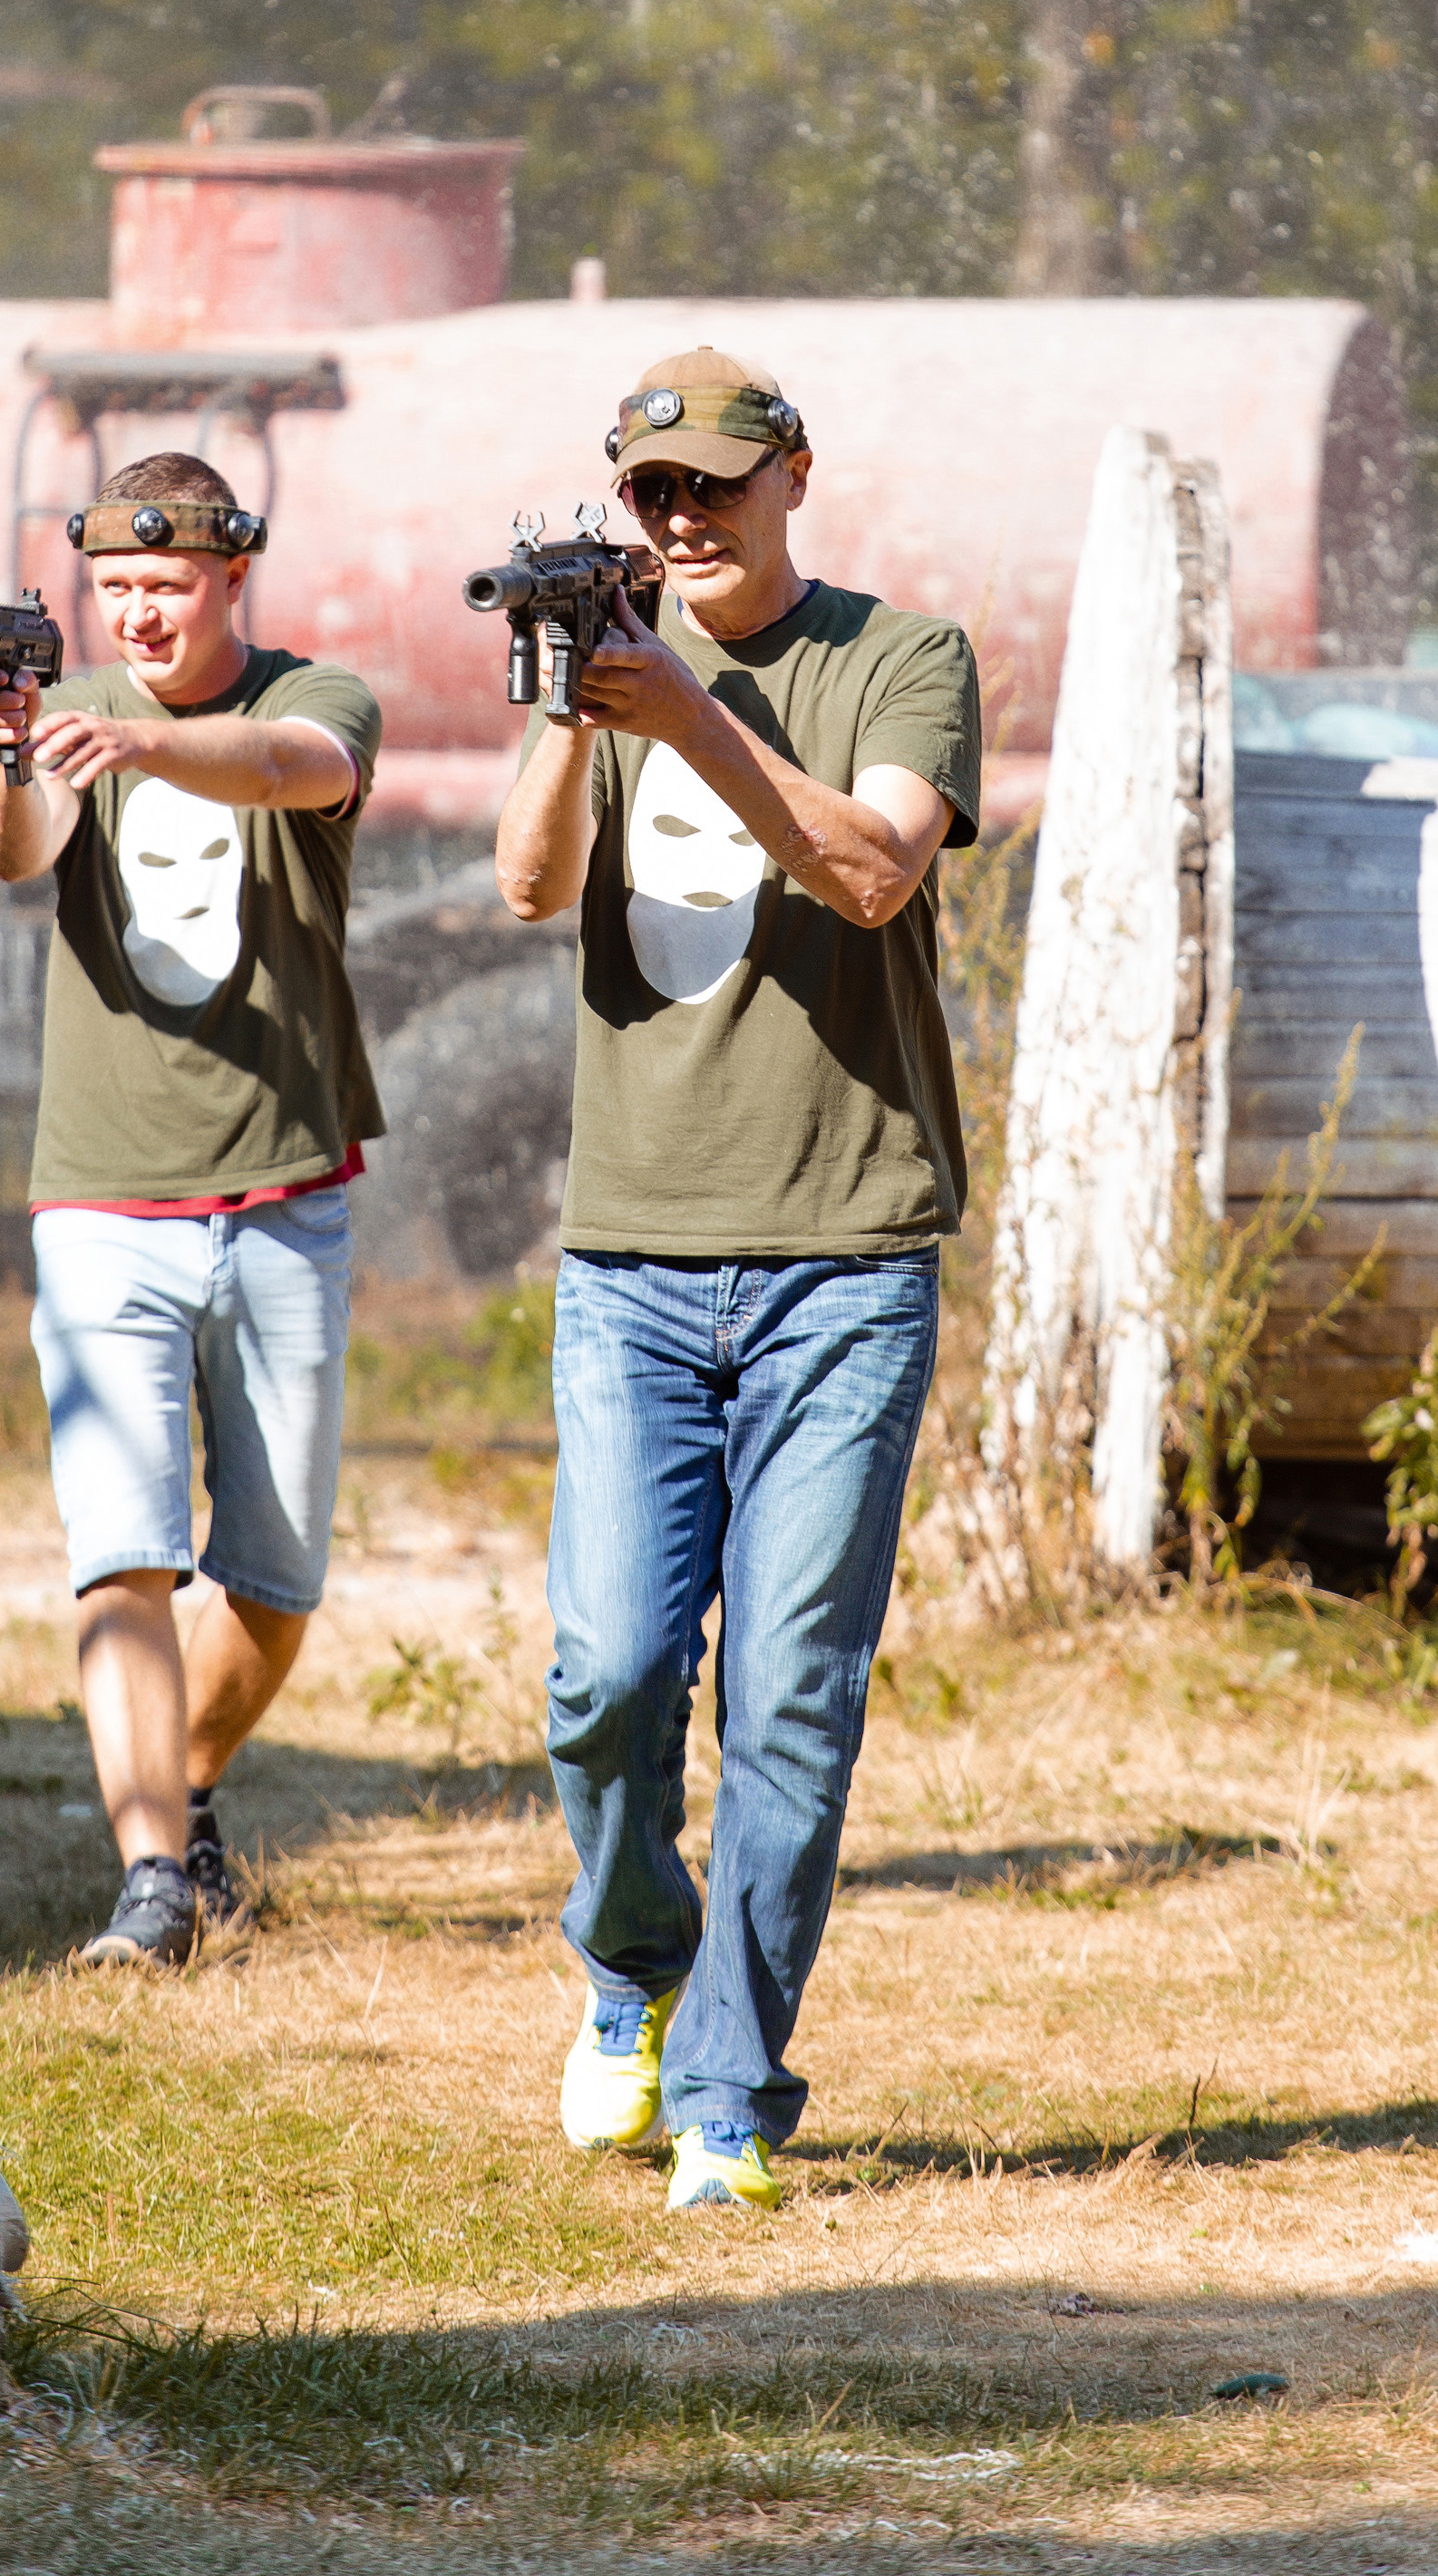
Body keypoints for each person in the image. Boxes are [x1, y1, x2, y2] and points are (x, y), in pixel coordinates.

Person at [495, 344, 981, 2209]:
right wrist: (568, 701)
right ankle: (630, 1968)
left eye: (713, 486)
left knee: (789, 1695)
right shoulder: (607, 668)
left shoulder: (898, 655)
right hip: (632, 1256)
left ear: (793, 478)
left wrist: (683, 710)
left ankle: (726, 2093)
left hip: (845, 1257)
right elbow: (533, 886)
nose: (682, 522)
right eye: (652, 497)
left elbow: (870, 868)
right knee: (604, 1680)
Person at [0, 450, 384, 1967]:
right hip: (100, 1198)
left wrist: (133, 745)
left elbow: (290, 771)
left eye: (168, 587)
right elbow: (15, 853)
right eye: (116, 590)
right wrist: (18, 751)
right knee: (122, 1549)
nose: (137, 617)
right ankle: (151, 1880)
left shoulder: (319, 695)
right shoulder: (66, 714)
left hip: (284, 1193)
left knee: (271, 1580)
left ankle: (185, 1792)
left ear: (231, 582)